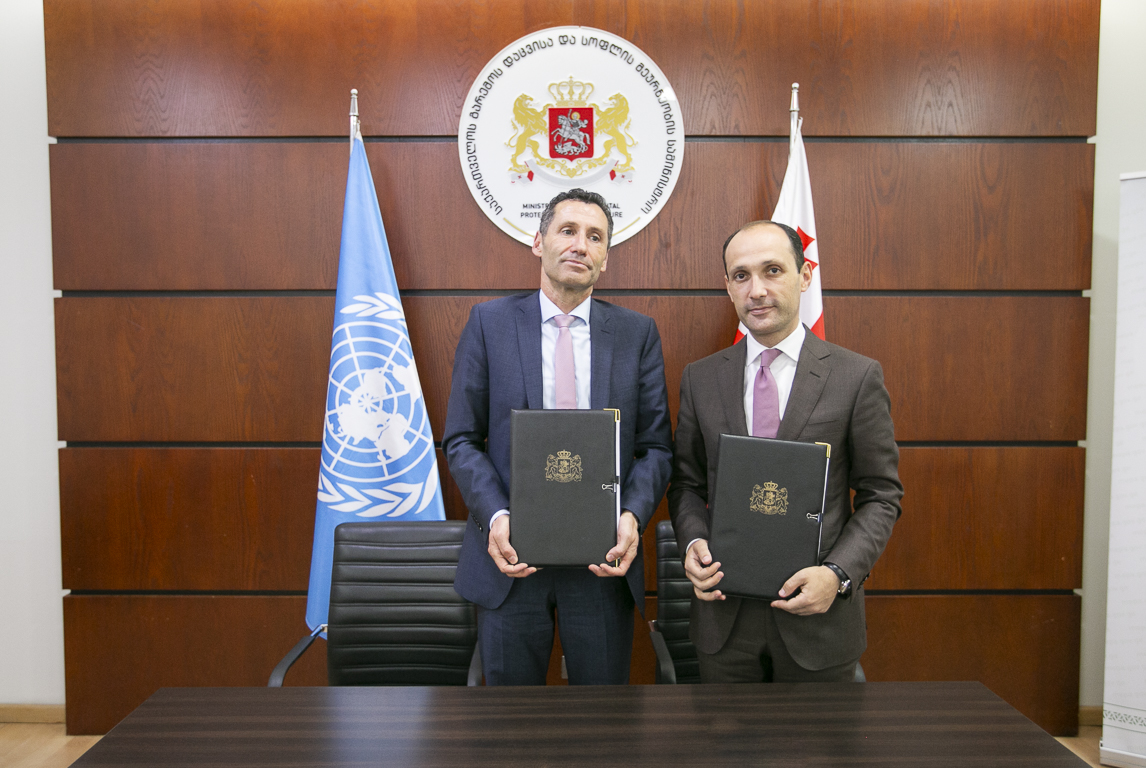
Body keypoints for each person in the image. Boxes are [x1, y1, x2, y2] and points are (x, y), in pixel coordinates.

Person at [444, 188, 672, 685]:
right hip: (510, 560)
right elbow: (461, 439)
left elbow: (655, 448)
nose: (580, 245)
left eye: (595, 237)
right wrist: (497, 516)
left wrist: (632, 516)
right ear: (538, 241)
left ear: (605, 258)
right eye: (567, 231)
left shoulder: (636, 334)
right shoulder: (489, 324)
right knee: (509, 720)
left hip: (602, 563)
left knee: (603, 718)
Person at [668, 220, 903, 683]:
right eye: (741, 276)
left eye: (772, 270)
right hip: (724, 620)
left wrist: (837, 574)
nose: (756, 290)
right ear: (728, 287)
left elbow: (881, 495)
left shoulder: (856, 377)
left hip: (818, 623)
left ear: (805, 275)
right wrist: (693, 542)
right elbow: (687, 485)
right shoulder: (700, 378)